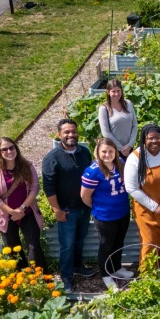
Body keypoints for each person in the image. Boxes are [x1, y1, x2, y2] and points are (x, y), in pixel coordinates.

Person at [42, 119, 96, 293]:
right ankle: (66, 276)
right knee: (67, 244)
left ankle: (78, 267)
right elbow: (48, 187)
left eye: (73, 131)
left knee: (80, 240)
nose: (70, 135)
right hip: (67, 210)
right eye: (66, 132)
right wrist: (57, 210)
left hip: (84, 207)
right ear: (59, 135)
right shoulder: (52, 158)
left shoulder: (85, 152)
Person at [124, 124, 160, 270]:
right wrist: (154, 207)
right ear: (144, 140)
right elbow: (131, 187)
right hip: (147, 211)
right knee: (150, 244)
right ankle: (148, 279)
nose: (154, 142)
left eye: (158, 138)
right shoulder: (135, 157)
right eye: (150, 138)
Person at [0, 137, 47, 271]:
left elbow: (34, 188)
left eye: (11, 147)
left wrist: (22, 208)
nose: (9, 151)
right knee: (13, 249)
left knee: (34, 246)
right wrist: (12, 212)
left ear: (16, 148)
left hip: (27, 212)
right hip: (5, 215)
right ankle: (21, 280)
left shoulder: (27, 166)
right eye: (4, 149)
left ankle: (41, 279)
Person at [81, 138, 134, 290]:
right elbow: (84, 196)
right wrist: (99, 207)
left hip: (122, 212)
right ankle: (105, 274)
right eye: (104, 151)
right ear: (98, 152)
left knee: (119, 242)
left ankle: (116, 267)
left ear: (115, 152)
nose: (107, 154)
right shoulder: (93, 170)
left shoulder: (121, 164)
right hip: (105, 215)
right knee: (106, 245)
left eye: (111, 151)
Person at [98, 79, 138, 158]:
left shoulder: (128, 104)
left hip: (129, 149)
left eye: (118, 91)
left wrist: (130, 145)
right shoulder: (104, 109)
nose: (116, 94)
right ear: (108, 92)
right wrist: (121, 148)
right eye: (113, 91)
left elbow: (134, 125)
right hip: (114, 150)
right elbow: (106, 133)